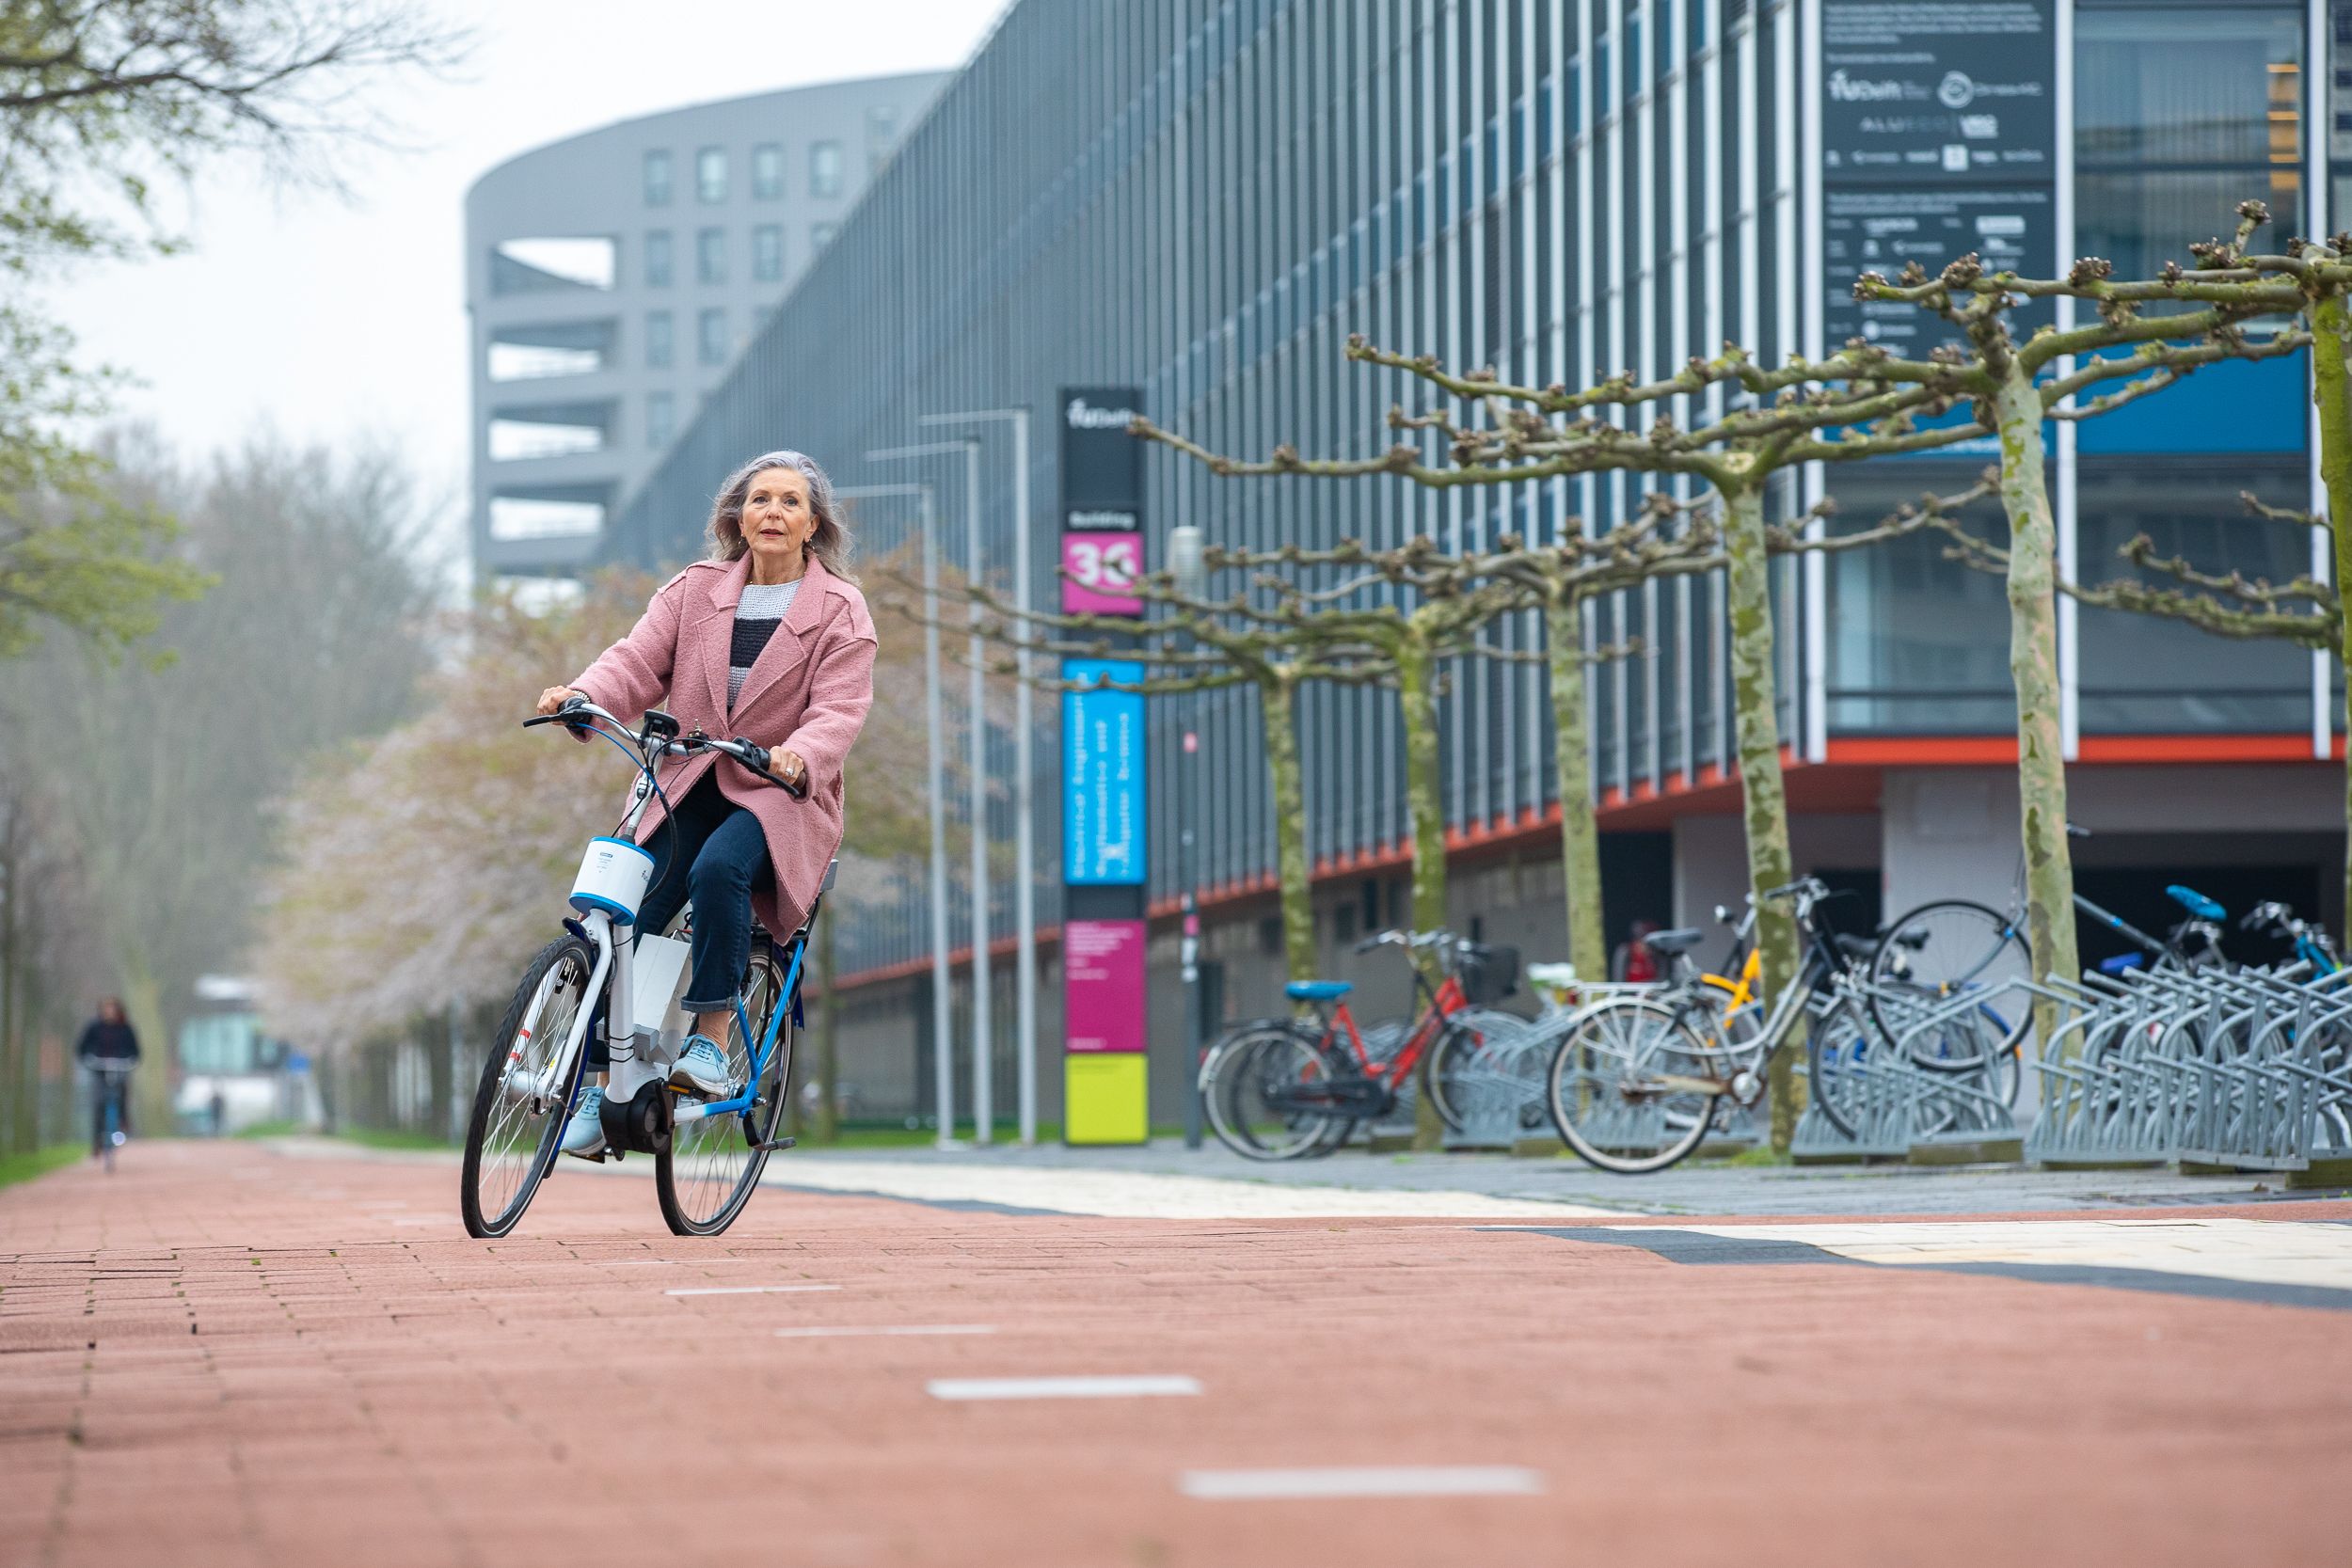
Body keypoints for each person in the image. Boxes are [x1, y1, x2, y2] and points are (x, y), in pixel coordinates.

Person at [535, 450, 877, 1158]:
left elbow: (840, 710)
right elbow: (636, 659)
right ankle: (605, 1081)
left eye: (789, 502)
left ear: (814, 523)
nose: (773, 513)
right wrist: (583, 697)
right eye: (760, 500)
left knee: (718, 871)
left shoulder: (841, 610)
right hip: (688, 776)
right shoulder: (695, 590)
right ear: (737, 516)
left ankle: (711, 1040)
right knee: (625, 916)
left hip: (777, 793)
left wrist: (800, 755)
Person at [74, 998, 140, 1157]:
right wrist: (89, 1058)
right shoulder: (93, 1027)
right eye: (107, 1008)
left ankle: (123, 1122)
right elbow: (82, 1048)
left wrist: (130, 1060)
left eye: (112, 1008)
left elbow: (136, 1051)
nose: (109, 1012)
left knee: (122, 1092)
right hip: (99, 1069)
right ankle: (97, 1140)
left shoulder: (126, 1028)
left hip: (120, 1067)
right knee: (98, 1102)